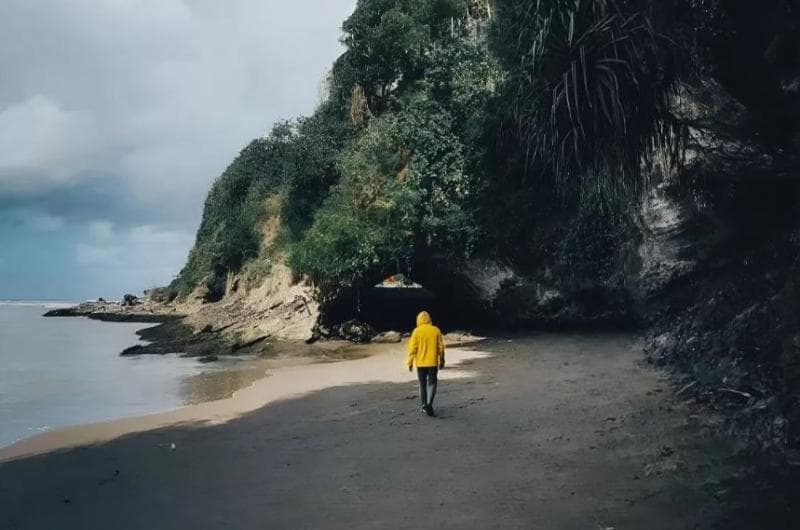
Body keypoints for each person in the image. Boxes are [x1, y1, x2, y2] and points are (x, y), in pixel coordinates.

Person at [406, 310, 445, 417]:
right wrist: (442, 360)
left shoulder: (416, 331)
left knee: (422, 385)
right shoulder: (436, 330)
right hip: (432, 362)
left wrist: (410, 362)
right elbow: (441, 348)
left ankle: (423, 406)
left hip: (420, 363)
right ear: (429, 319)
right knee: (432, 383)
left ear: (418, 320)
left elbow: (412, 348)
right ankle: (429, 403)